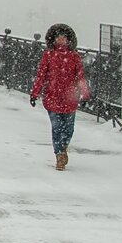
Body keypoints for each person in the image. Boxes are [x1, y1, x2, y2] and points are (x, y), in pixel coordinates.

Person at [29, 23, 90, 171]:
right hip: (53, 97)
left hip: (70, 98)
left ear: (68, 40)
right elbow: (41, 75)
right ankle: (59, 155)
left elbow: (80, 77)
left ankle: (63, 147)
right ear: (54, 39)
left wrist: (84, 94)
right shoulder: (48, 55)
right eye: (58, 37)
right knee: (56, 128)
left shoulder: (74, 56)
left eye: (64, 37)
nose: (61, 40)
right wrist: (34, 93)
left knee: (69, 129)